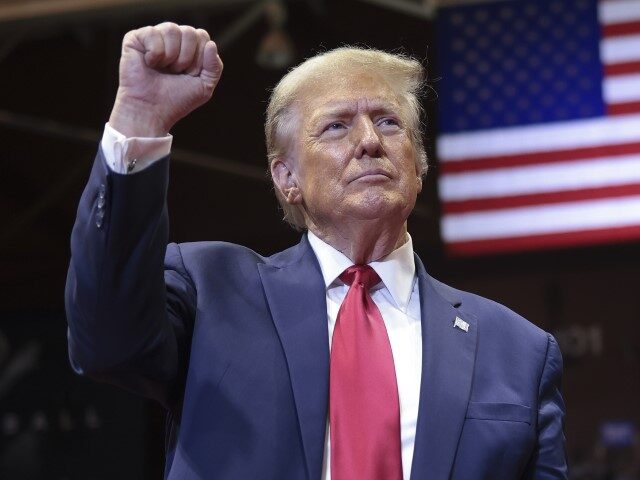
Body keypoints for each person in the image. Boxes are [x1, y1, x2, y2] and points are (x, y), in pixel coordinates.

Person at [65, 22, 568, 479]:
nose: (370, 141)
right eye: (336, 126)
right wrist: (139, 119)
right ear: (287, 179)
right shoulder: (211, 291)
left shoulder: (519, 351)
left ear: (417, 166)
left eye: (389, 122)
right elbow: (106, 341)